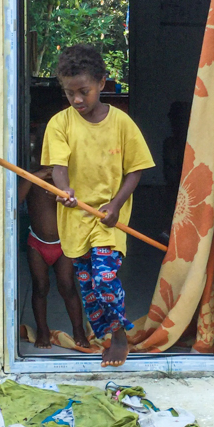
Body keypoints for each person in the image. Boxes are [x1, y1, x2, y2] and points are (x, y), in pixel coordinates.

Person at [42, 44, 155, 368]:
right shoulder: (60, 124)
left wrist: (116, 205)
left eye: (84, 91)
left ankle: (119, 335)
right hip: (76, 217)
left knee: (104, 278)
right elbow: (59, 167)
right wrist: (64, 190)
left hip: (108, 217)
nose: (77, 100)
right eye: (69, 93)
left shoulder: (121, 123)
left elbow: (136, 169)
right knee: (89, 287)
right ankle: (104, 335)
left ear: (102, 83)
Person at [18, 124, 88, 351]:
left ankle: (79, 331)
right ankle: (43, 331)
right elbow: (17, 201)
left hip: (62, 243)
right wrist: (34, 177)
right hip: (37, 243)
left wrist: (63, 191)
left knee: (67, 286)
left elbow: (80, 206)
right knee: (40, 287)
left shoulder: (66, 179)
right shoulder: (30, 175)